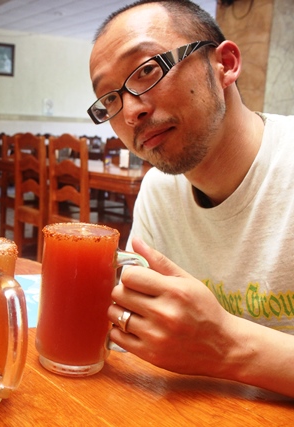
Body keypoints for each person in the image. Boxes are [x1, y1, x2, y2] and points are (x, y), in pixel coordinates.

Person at [87, 0, 294, 398]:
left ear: (226, 65)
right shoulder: (158, 191)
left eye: (147, 70)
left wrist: (229, 347)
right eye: (110, 99)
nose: (130, 112)